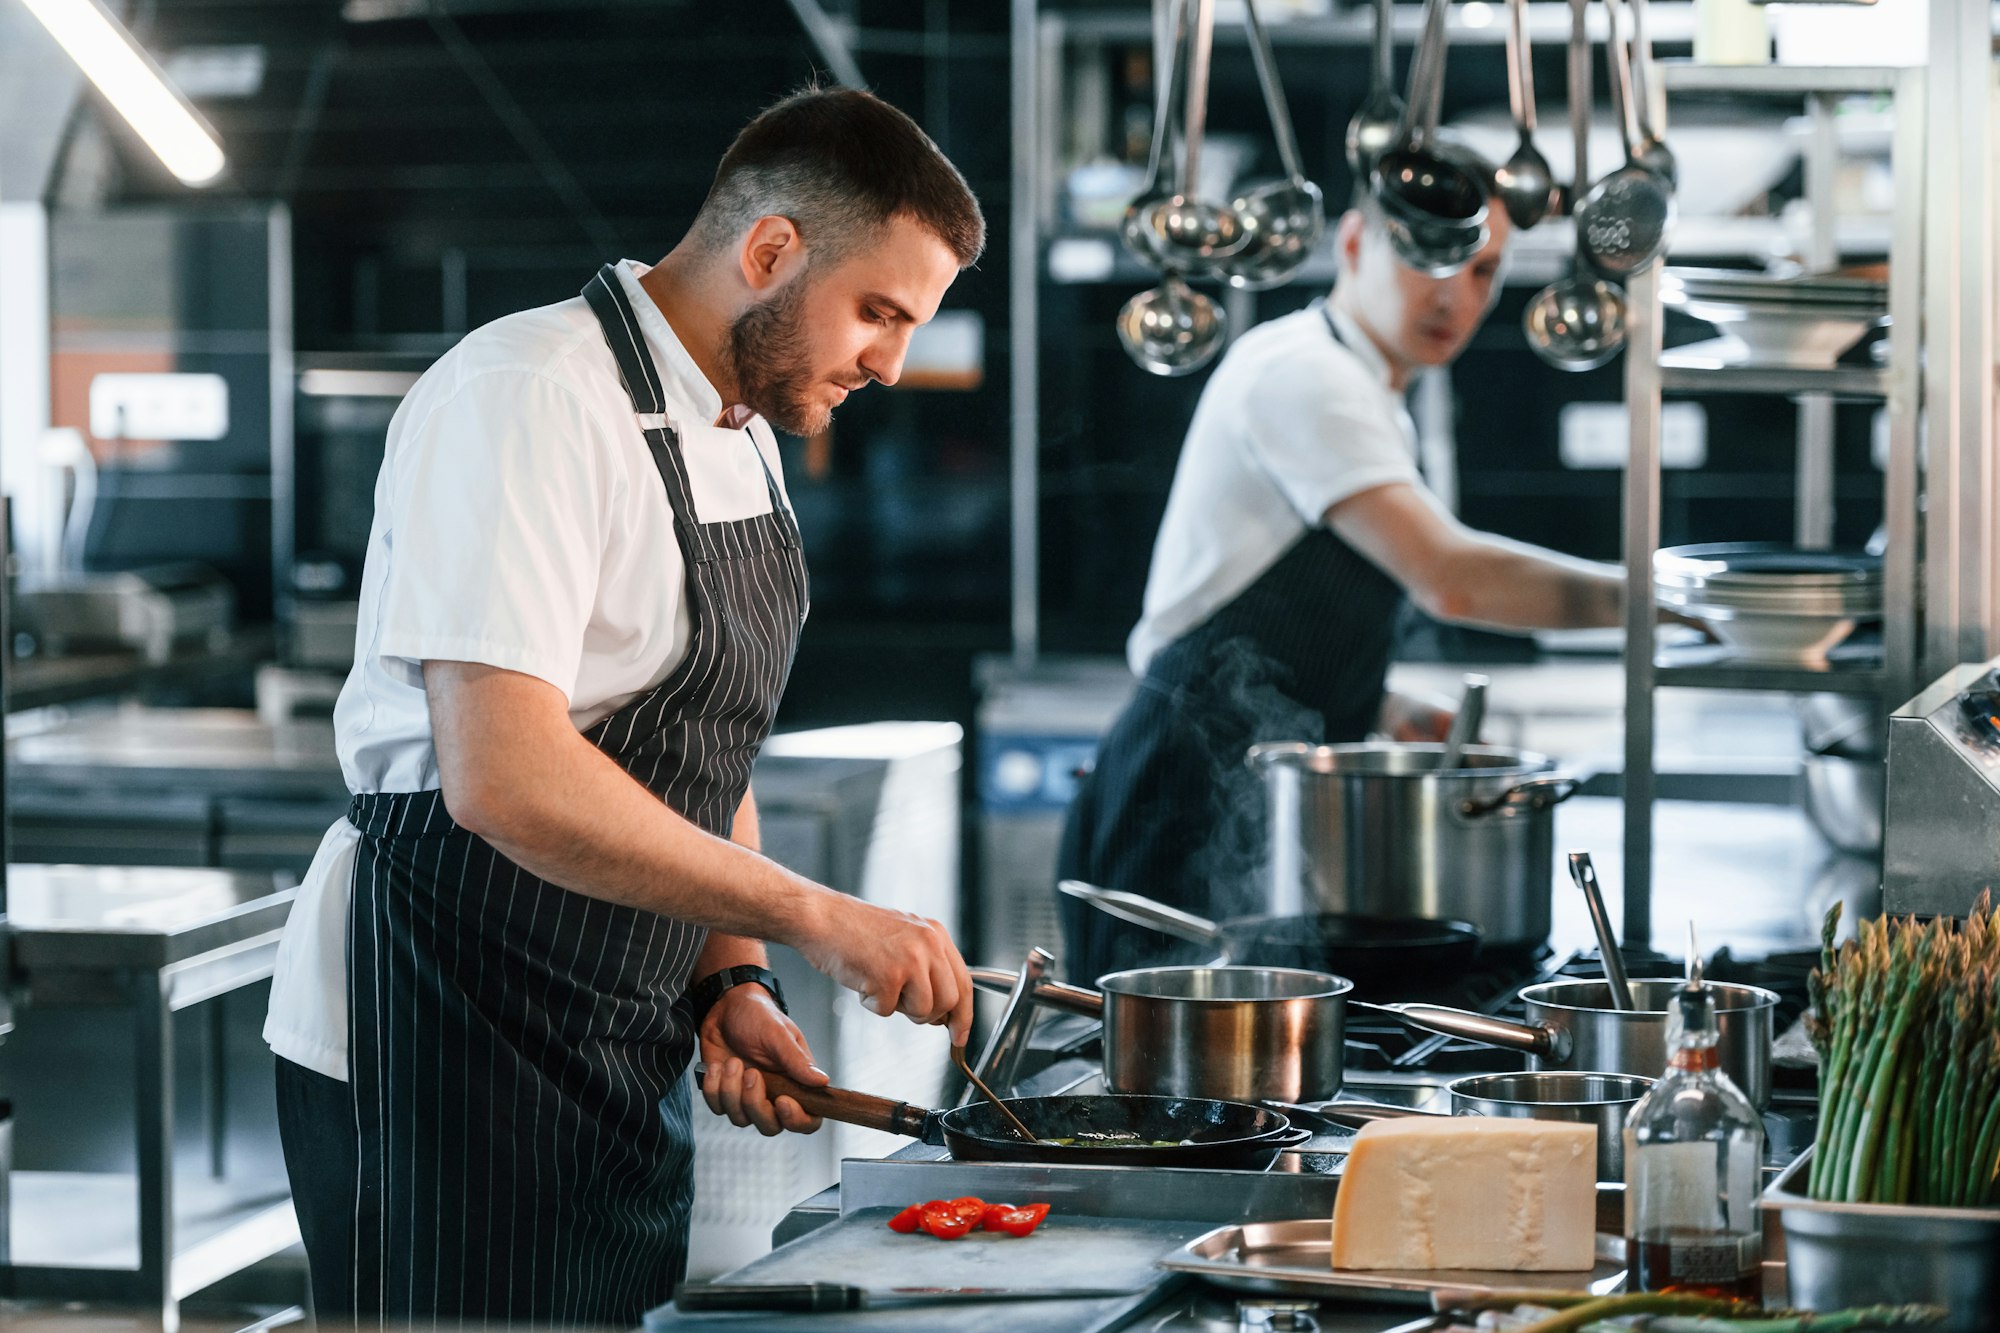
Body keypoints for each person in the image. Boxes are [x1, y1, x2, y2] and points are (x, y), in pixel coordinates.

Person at [262, 86, 985, 1325]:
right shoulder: (530, 395)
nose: (891, 362)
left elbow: (705, 743)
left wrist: (733, 981)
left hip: (613, 1036)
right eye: (876, 312)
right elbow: (505, 777)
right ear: (770, 249)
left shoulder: (742, 428)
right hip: (441, 1026)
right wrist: (819, 916)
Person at [1057, 171, 1628, 985]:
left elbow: (1274, 617)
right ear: (1355, 243)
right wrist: (1659, 601)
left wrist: (1379, 704)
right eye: (1428, 257)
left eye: (1482, 270)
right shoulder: (1304, 374)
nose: (1455, 295)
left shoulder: (1366, 391)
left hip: (1251, 806)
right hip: (1179, 799)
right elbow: (1451, 578)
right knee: (1160, 1092)